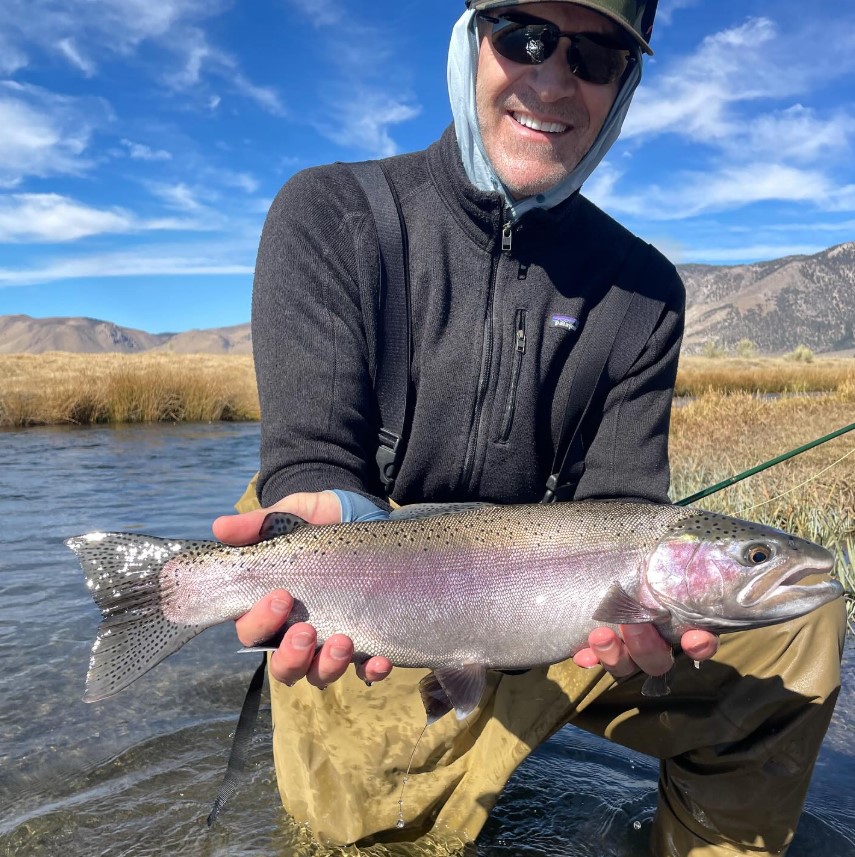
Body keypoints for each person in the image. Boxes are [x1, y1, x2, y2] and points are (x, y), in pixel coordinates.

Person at [213, 2, 846, 854]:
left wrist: (644, 617)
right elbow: (315, 455)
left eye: (594, 55)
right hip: (386, 606)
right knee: (365, 843)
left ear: (625, 83)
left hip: (570, 612)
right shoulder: (334, 212)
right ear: (469, 42)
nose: (552, 78)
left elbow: (623, 497)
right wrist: (324, 522)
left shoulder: (645, 290)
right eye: (524, 36)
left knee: (799, 623)